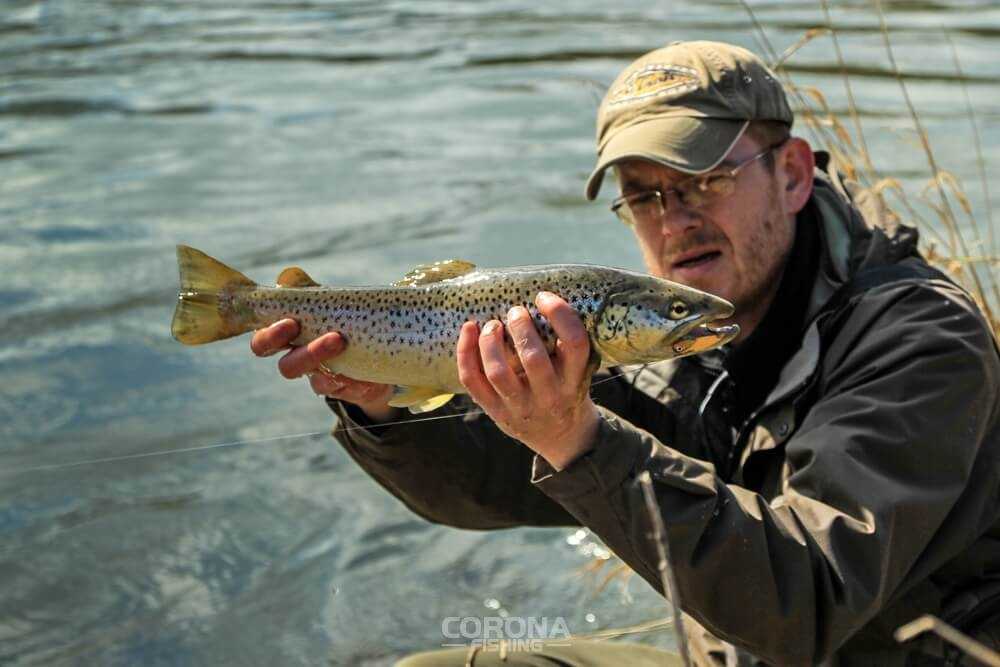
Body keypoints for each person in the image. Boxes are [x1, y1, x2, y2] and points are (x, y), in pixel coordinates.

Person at [250, 41, 1000, 666]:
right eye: (644, 194)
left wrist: (578, 441)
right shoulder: (676, 331)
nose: (674, 221)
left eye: (705, 179)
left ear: (795, 173)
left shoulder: (920, 340)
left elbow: (806, 602)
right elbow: (490, 485)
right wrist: (382, 405)